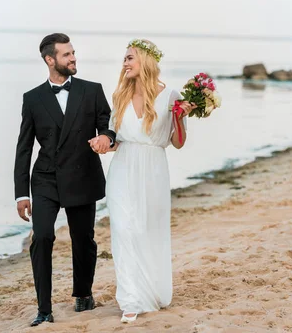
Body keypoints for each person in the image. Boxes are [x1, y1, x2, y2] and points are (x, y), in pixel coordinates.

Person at [89, 39, 195, 323]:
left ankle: (152, 290)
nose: (125, 63)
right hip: (122, 169)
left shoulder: (170, 95)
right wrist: (102, 142)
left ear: (145, 62)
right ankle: (130, 299)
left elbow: (177, 142)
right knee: (124, 230)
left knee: (148, 231)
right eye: (124, 59)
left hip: (153, 169)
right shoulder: (119, 96)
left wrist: (181, 118)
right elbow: (117, 140)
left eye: (129, 58)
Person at [14, 33, 116, 327]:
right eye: (66, 55)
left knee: (83, 239)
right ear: (50, 60)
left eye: (73, 53)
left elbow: (108, 125)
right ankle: (44, 309)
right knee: (42, 236)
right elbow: (24, 147)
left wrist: (106, 137)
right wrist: (21, 193)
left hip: (82, 175)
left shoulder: (92, 90)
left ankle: (83, 294)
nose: (73, 58)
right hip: (45, 178)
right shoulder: (32, 99)